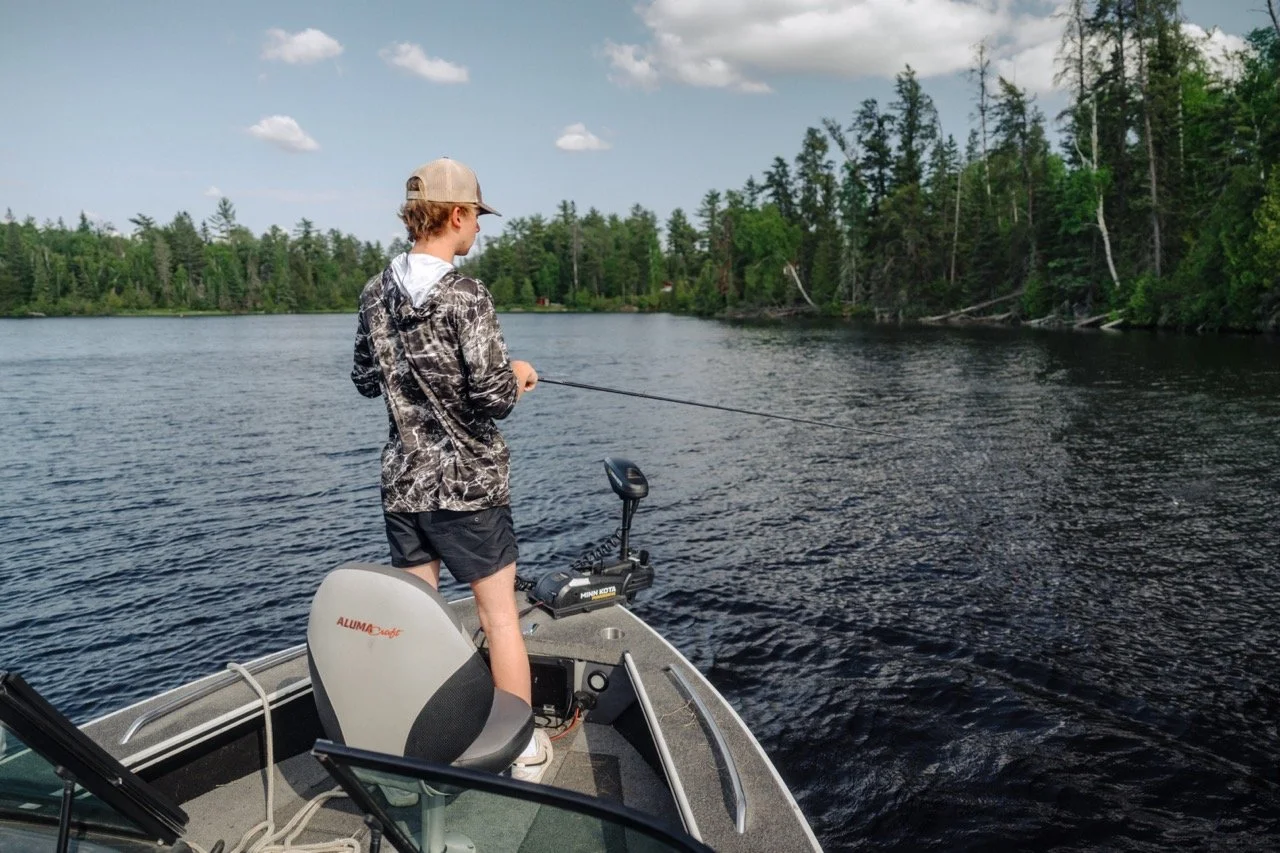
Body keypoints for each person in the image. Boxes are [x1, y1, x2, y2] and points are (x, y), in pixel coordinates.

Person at [350, 157, 551, 781]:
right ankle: (523, 749)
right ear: (457, 215)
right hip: (467, 488)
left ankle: (425, 744)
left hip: (403, 485)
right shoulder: (467, 294)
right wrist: (518, 374)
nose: (478, 232)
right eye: (476, 220)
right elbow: (493, 398)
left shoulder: (373, 292)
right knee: (498, 617)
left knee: (420, 623)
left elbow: (363, 379)